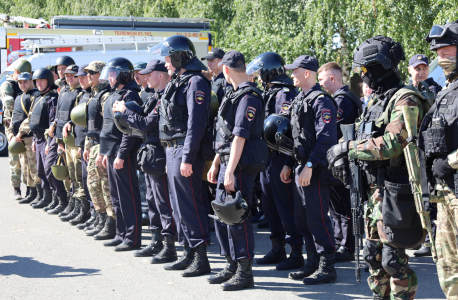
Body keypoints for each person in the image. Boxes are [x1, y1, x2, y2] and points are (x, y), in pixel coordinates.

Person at [327, 35, 422, 300]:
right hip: (372, 193)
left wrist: (348, 149)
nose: (364, 77)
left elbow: (393, 143)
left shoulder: (406, 99)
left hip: (394, 191)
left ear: (380, 66)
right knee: (372, 256)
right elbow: (363, 137)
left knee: (394, 261)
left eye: (366, 70)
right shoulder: (376, 102)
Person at [152, 35, 211, 277]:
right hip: (172, 149)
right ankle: (188, 251)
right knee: (177, 205)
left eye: (168, 57)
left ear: (179, 56)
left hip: (183, 150)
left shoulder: (195, 82)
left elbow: (196, 124)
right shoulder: (181, 80)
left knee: (190, 205)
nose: (165, 63)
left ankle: (200, 256)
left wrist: (187, 158)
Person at [207, 50, 264, 290]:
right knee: (223, 215)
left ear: (227, 70)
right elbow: (226, 136)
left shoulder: (248, 97)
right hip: (228, 161)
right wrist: (216, 163)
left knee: (236, 216)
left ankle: (244, 270)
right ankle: (231, 263)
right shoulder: (235, 94)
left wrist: (229, 171)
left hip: (239, 165)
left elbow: (240, 137)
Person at [280, 55, 338, 285]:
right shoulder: (299, 99)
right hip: (300, 167)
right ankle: (312, 261)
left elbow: (326, 139)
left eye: (295, 71)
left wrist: (310, 167)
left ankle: (327, 266)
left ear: (306, 73)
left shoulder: (321, 101)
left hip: (315, 169)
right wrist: (288, 164)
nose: (291, 74)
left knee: (317, 218)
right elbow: (295, 138)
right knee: (302, 218)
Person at [113, 60, 178, 262]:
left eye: (149, 74)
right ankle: (157, 240)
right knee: (151, 200)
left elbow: (145, 123)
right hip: (150, 152)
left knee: (162, 201)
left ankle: (169, 246)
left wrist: (125, 111)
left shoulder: (164, 97)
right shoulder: (154, 96)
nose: (145, 77)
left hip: (160, 152)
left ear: (160, 76)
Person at [246, 52, 304, 271]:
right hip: (267, 159)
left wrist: (288, 163)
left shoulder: (285, 94)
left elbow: (288, 131)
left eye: (261, 72)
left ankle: (296, 251)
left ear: (269, 71)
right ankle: (278, 247)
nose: (259, 76)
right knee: (269, 206)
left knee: (285, 207)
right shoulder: (271, 92)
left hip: (281, 158)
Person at [424, 20, 458, 299]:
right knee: (448, 265)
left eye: (447, 52)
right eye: (439, 54)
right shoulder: (446, 91)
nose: (441, 59)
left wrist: (450, 162)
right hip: (446, 190)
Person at [318, 61, 362, 263]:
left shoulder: (342, 100)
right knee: (336, 205)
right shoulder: (339, 98)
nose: (320, 83)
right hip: (340, 158)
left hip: (344, 160)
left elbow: (334, 129)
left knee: (344, 205)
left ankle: (348, 245)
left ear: (332, 78)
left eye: (322, 79)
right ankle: (340, 241)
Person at [99, 57, 143, 252]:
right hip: (111, 151)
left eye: (113, 74)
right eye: (108, 75)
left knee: (128, 195)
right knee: (116, 195)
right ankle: (121, 233)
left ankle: (132, 237)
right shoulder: (113, 94)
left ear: (123, 74)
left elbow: (130, 130)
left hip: (121, 152)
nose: (109, 78)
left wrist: (121, 155)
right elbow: (107, 127)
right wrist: (103, 152)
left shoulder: (130, 95)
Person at [407, 53, 442, 258]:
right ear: (410, 70)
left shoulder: (434, 90)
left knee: (429, 196)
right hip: (410, 150)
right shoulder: (405, 91)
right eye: (417, 68)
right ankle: (419, 236)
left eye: (424, 68)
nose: (421, 72)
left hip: (427, 150)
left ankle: (431, 240)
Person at [82, 61, 116, 240]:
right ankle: (100, 217)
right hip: (93, 144)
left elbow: (108, 126)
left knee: (105, 186)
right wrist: (88, 145)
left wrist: (103, 149)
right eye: (87, 73)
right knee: (93, 185)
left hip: (102, 146)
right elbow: (91, 125)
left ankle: (111, 222)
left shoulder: (105, 96)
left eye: (92, 73)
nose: (88, 76)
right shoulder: (93, 95)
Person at [50, 65, 86, 222]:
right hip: (64, 140)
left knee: (78, 175)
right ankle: (73, 204)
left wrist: (79, 144)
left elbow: (78, 117)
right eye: (67, 76)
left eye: (73, 76)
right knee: (70, 174)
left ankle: (82, 208)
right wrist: (59, 141)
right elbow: (59, 117)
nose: (69, 78)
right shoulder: (64, 92)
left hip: (75, 141)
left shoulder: (81, 93)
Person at [0, 59, 32, 199]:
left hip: (26, 126)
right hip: (12, 124)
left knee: (29, 161)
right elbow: (8, 104)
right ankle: (17, 188)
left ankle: (31, 189)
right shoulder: (9, 84)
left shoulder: (29, 82)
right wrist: (12, 132)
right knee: (15, 159)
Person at [29, 68, 59, 209]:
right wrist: (35, 140)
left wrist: (49, 142)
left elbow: (52, 122)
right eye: (37, 81)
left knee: (49, 171)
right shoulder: (37, 97)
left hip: (47, 140)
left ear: (49, 81)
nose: (39, 83)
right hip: (38, 139)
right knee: (41, 171)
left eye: (42, 80)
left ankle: (58, 199)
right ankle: (46, 198)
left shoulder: (52, 99)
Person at [70, 64, 96, 226]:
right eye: (78, 77)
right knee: (84, 179)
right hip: (80, 142)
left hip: (90, 143)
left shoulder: (94, 96)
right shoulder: (82, 95)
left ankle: (94, 213)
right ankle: (88, 211)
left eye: (83, 77)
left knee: (93, 181)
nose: (80, 80)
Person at [13, 72, 42, 204]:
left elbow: (31, 117)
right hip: (20, 139)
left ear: (31, 81)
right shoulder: (20, 96)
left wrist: (20, 132)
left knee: (33, 166)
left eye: (25, 81)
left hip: (29, 136)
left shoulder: (34, 95)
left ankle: (38, 193)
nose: (22, 84)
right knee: (25, 166)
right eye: (20, 82)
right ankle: (30, 191)